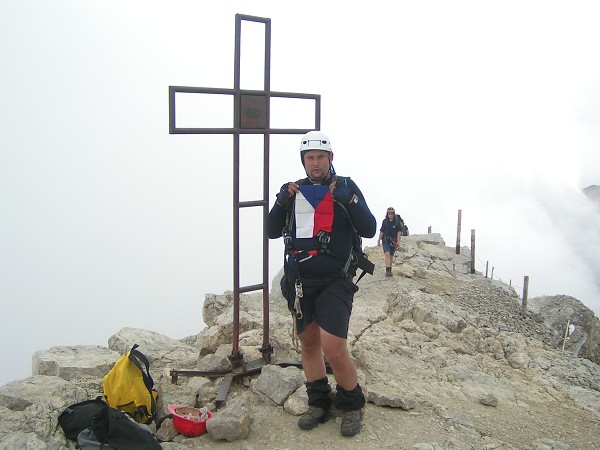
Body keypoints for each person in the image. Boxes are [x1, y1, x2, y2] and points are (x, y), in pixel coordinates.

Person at [266, 130, 376, 437]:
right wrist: (280, 202)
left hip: (335, 280)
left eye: (321, 157)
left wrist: (350, 200)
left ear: (330, 158)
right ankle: (319, 401)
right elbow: (271, 230)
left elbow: (368, 228)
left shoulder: (344, 186)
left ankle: (352, 403)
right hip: (300, 280)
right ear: (303, 161)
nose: (315, 164)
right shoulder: (293, 191)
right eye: (310, 158)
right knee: (309, 343)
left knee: (333, 347)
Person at [377, 207, 402, 276]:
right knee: (387, 254)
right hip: (385, 240)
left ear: (393, 214)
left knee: (391, 256)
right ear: (387, 214)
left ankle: (390, 269)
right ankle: (387, 270)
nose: (390, 215)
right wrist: (379, 240)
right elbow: (382, 231)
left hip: (393, 241)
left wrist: (398, 241)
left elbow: (398, 232)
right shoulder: (385, 221)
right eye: (389, 213)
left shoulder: (397, 222)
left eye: (391, 213)